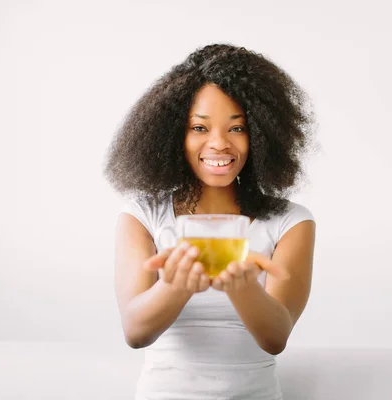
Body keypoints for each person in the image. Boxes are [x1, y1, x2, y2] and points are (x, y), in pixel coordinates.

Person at [104, 43, 317, 399]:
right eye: (199, 128)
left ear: (262, 136)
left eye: (237, 128)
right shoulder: (141, 216)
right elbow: (135, 332)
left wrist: (241, 286)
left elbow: (276, 338)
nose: (218, 144)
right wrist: (178, 285)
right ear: (174, 136)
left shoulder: (291, 222)